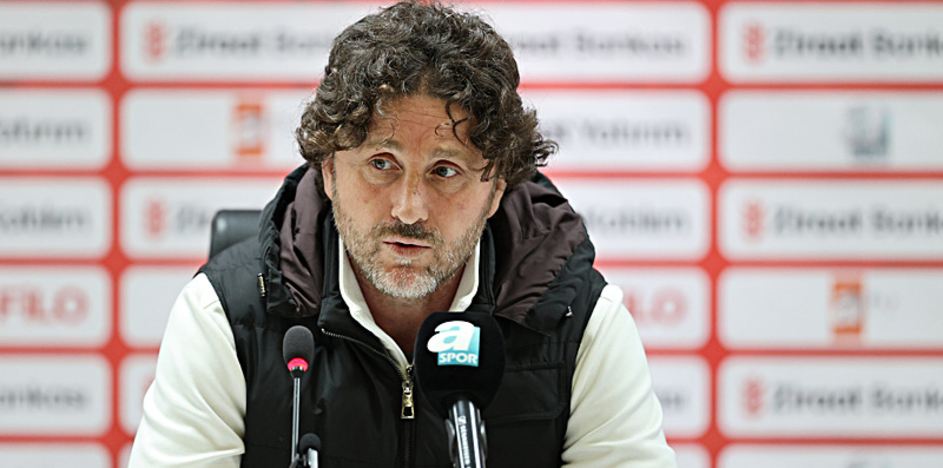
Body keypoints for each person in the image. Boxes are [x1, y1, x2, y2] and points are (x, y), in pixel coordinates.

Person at [128, 2, 676, 467]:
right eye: (381, 164)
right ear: (328, 171)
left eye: (445, 171)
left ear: (495, 188)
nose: (409, 209)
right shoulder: (225, 315)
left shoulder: (579, 322)